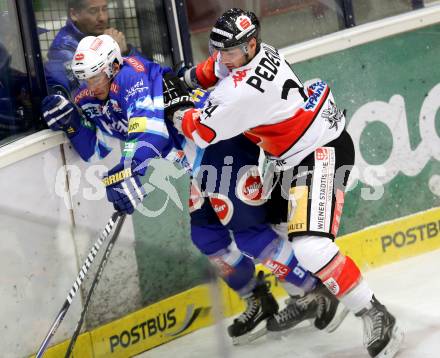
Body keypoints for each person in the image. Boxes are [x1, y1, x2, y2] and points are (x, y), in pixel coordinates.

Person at [40, 34, 346, 345]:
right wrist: (72, 125)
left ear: (113, 66)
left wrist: (132, 169)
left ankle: (316, 291)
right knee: (207, 236)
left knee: (249, 234)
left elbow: (152, 131)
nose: (91, 85)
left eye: (95, 76)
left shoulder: (132, 75)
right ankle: (259, 298)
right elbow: (98, 149)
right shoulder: (90, 97)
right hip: (197, 160)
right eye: (84, 79)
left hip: (220, 143)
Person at [165, 8, 404, 358]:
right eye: (220, 50)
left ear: (249, 45)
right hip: (290, 156)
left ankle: (375, 312)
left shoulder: (242, 90)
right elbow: (213, 68)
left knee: (311, 247)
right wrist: (187, 77)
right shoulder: (253, 53)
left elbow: (199, 131)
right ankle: (310, 296)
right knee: (271, 230)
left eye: (229, 52)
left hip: (318, 153)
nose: (223, 58)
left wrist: (174, 106)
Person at [44, 0, 134, 95]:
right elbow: (91, 91)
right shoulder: (64, 49)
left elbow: (144, 74)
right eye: (93, 11)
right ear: (74, 14)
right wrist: (116, 53)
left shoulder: (100, 34)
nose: (102, 18)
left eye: (104, 9)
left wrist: (127, 52)